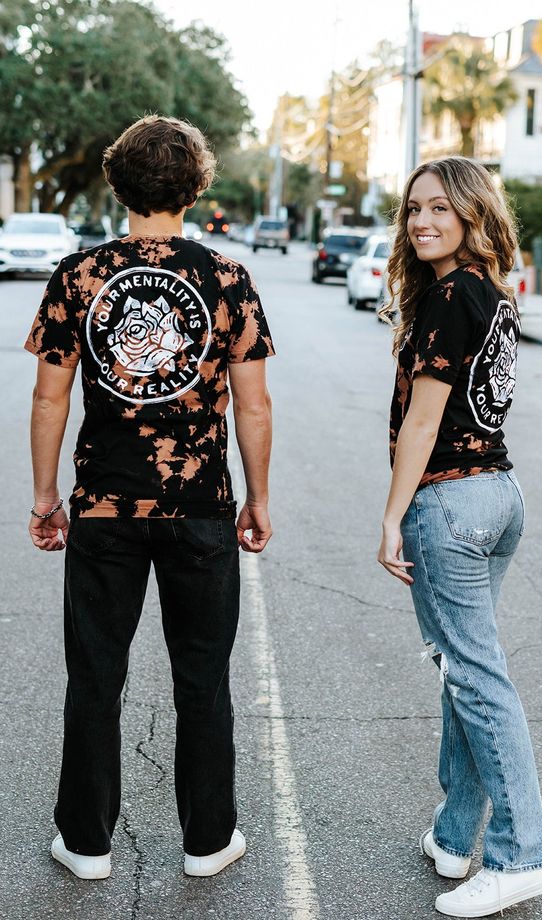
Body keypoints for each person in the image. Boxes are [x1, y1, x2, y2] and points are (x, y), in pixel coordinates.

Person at [25, 115, 274, 880]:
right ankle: (207, 843)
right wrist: (257, 497)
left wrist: (45, 499)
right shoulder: (226, 277)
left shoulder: (78, 275)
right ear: (197, 185)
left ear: (117, 181)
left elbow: (48, 398)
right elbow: (255, 405)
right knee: (203, 676)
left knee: (96, 675)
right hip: (201, 508)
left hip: (104, 507)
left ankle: (88, 844)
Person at [377, 156, 542, 917]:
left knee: (479, 682)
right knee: (465, 672)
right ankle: (455, 837)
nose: (421, 222)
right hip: (498, 497)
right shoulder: (491, 290)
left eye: (439, 209)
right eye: (413, 209)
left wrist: (392, 515)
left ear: (472, 213)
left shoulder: (453, 295)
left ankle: (521, 858)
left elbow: (425, 417)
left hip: (450, 503)